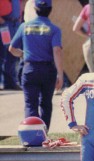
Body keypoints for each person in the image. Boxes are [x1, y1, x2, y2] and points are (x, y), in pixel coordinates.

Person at [9, 0, 63, 130]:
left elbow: (12, 48)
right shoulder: (55, 29)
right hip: (48, 70)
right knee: (45, 104)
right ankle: (43, 134)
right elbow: (57, 50)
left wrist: (23, 54)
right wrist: (60, 75)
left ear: (35, 8)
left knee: (30, 104)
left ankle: (32, 133)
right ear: (50, 9)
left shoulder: (24, 26)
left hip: (30, 69)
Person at [0, 0, 22, 90]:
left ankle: (11, 82)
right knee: (4, 53)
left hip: (15, 25)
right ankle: (5, 82)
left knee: (13, 54)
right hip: (5, 26)